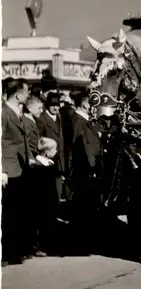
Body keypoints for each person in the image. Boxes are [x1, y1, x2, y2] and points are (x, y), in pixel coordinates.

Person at [2, 78, 31, 264]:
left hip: (20, 167)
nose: (28, 95)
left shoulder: (17, 112)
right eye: (26, 91)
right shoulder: (3, 113)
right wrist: (1, 170)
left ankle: (16, 250)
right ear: (18, 93)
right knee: (9, 213)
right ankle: (8, 253)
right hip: (9, 169)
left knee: (17, 211)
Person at [68, 91, 103, 241]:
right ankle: (82, 237)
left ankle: (86, 235)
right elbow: (80, 146)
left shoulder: (84, 120)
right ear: (84, 104)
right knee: (83, 205)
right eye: (91, 103)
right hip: (84, 170)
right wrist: (91, 167)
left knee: (88, 204)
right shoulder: (78, 121)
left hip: (88, 169)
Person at [28, 137, 60, 257]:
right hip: (42, 199)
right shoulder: (38, 166)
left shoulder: (50, 164)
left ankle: (47, 244)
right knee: (40, 223)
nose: (56, 152)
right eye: (54, 150)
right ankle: (37, 246)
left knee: (48, 221)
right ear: (47, 152)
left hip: (50, 198)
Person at [37, 92, 66, 201]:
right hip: (48, 159)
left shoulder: (59, 117)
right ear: (48, 105)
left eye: (57, 105)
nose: (55, 107)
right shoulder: (42, 119)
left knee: (57, 191)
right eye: (53, 105)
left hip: (59, 160)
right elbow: (40, 141)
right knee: (48, 192)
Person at [24, 94, 44, 161]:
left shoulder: (33, 120)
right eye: (39, 108)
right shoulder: (26, 123)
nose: (42, 111)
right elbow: (26, 144)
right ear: (29, 108)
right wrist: (31, 158)